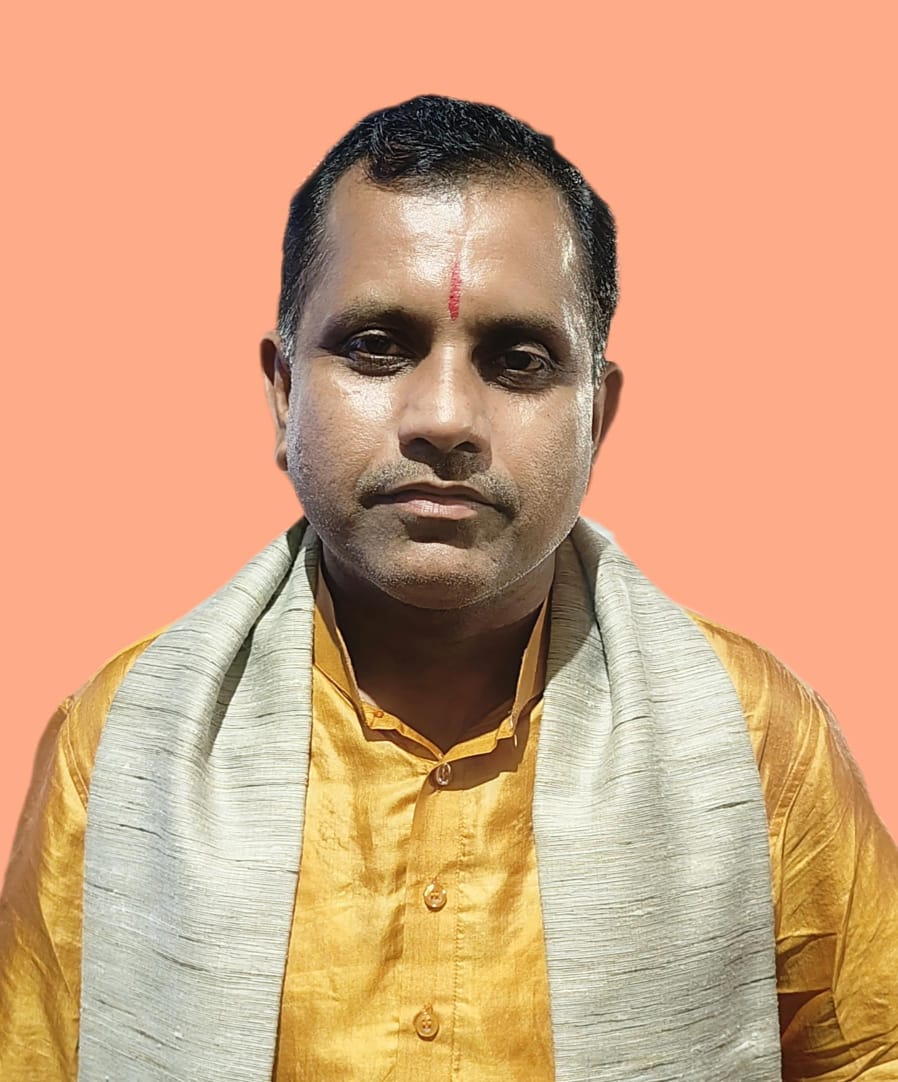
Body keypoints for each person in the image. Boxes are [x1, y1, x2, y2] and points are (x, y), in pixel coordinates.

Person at [1, 95, 896, 1082]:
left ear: (597, 417)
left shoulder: (756, 737)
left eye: (518, 361)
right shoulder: (122, 738)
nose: (443, 417)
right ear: (285, 391)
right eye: (377, 346)